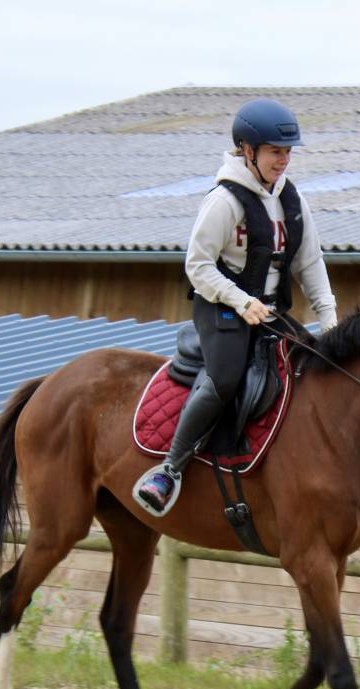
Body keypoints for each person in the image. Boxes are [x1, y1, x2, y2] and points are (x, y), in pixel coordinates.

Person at [133, 98, 338, 517]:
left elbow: (310, 262)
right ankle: (169, 469)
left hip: (269, 312)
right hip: (221, 308)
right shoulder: (225, 201)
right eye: (275, 152)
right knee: (226, 378)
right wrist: (240, 300)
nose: (283, 161)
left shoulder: (293, 201)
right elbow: (197, 265)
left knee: (310, 369)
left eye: (287, 152)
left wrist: (329, 317)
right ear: (248, 150)